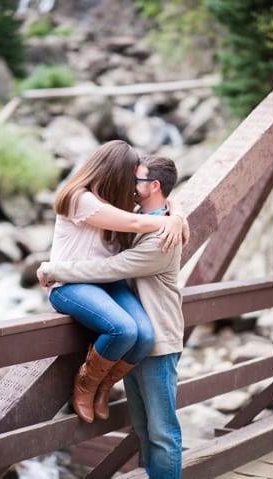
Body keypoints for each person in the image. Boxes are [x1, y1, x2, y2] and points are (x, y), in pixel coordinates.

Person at [38, 154, 185, 478]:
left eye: (137, 181)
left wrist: (175, 218)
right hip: (121, 323)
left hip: (159, 339)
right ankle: (94, 384)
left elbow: (113, 266)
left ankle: (96, 383)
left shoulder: (162, 236)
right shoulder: (105, 205)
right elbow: (135, 221)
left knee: (162, 432)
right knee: (145, 429)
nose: (131, 186)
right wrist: (174, 215)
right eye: (129, 178)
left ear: (154, 186)